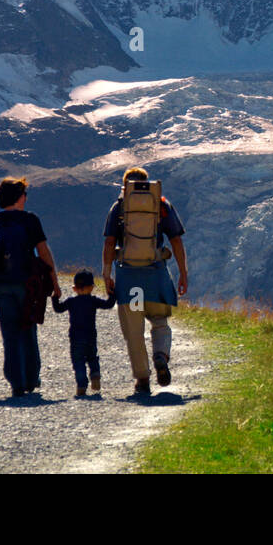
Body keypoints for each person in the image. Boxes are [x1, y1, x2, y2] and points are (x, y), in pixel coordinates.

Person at [102, 167, 188, 396]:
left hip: (130, 279)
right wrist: (183, 273)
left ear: (125, 186)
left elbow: (110, 242)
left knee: (134, 332)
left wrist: (106, 273)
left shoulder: (119, 206)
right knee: (159, 321)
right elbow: (176, 240)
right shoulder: (161, 204)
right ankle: (160, 354)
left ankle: (142, 379)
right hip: (156, 275)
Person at [0, 177, 61, 397]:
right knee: (27, 329)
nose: (26, 198)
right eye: (25, 194)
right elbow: (43, 252)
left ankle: (15, 382)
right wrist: (54, 281)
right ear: (19, 197)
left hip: (0, 285)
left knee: (9, 333)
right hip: (27, 284)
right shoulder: (30, 220)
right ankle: (31, 378)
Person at [52, 270, 117, 397]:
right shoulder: (93, 301)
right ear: (92, 287)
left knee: (78, 361)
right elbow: (109, 304)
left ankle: (81, 386)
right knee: (92, 357)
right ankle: (95, 374)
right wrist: (112, 292)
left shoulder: (71, 302)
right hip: (91, 336)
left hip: (76, 338)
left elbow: (58, 309)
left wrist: (55, 297)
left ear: (74, 288)